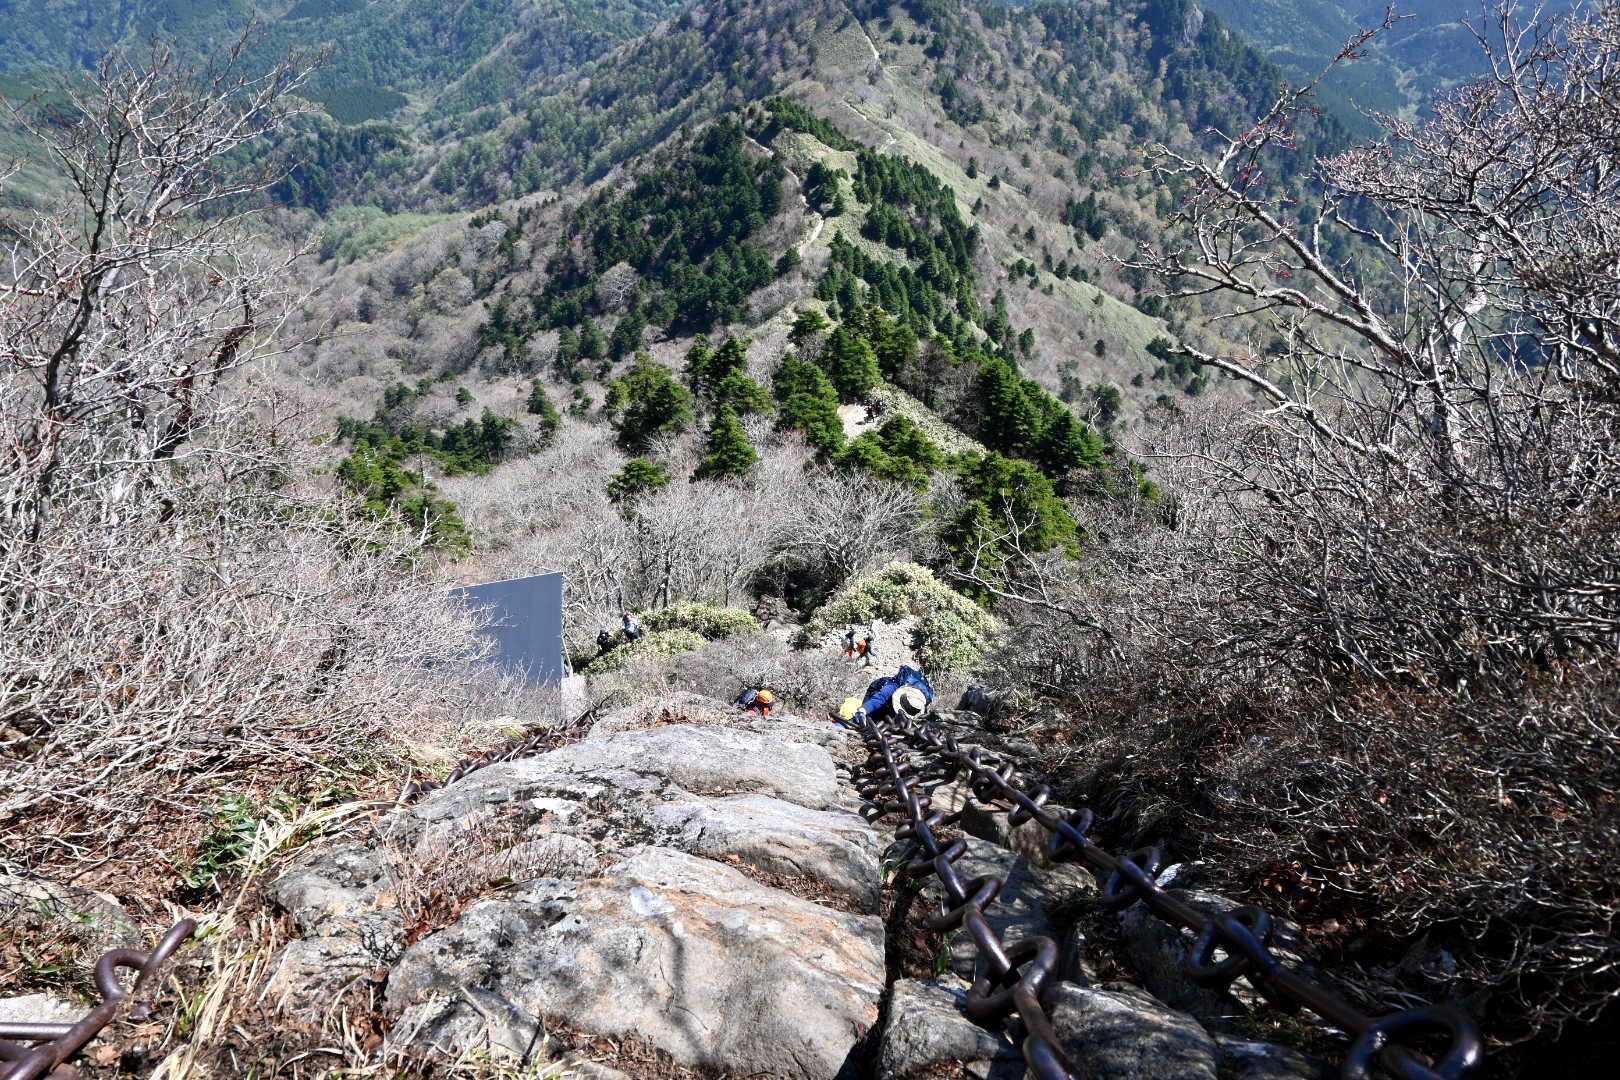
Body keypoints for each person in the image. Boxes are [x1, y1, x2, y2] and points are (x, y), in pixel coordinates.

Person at [843, 665, 934, 726]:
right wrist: (862, 711)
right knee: (868, 718)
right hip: (878, 689)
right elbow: (878, 699)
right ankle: (843, 725)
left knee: (890, 721)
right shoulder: (892, 688)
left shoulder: (919, 701)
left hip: (897, 701)